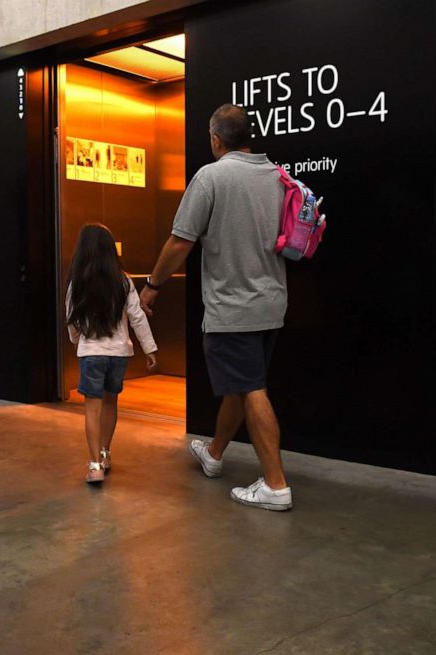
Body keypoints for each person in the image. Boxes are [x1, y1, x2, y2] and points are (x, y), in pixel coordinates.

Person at [140, 103, 292, 511]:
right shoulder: (277, 177)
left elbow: (180, 241)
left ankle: (275, 486)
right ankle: (215, 454)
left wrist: (152, 285)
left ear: (216, 139)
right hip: (271, 305)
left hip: (234, 307)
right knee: (242, 385)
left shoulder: (211, 176)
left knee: (251, 389)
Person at [67, 223, 158, 484]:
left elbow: (71, 318)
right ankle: (106, 453)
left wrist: (76, 342)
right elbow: (137, 317)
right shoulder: (123, 280)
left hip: (91, 353)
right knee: (110, 403)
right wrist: (150, 348)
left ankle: (95, 465)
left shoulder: (78, 282)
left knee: (92, 409)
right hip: (118, 354)